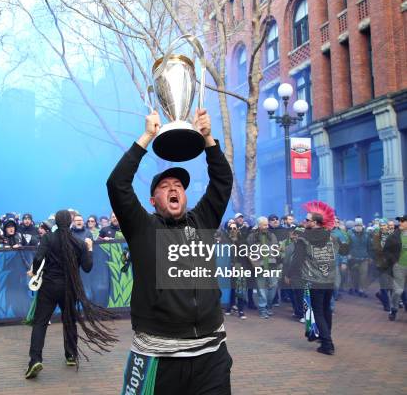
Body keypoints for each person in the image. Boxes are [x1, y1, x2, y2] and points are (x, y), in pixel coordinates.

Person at [107, 108, 233, 393]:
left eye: (179, 185)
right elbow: (117, 185)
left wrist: (208, 138)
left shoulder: (203, 220)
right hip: (158, 357)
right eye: (165, 186)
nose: (174, 188)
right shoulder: (142, 227)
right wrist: (147, 136)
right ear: (153, 200)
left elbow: (222, 182)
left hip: (210, 354)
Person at [25, 210, 116, 379]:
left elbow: (38, 258)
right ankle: (71, 355)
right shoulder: (79, 243)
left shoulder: (48, 238)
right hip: (69, 288)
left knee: (40, 323)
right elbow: (87, 268)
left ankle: (35, 360)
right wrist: (89, 249)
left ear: (56, 223)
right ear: (71, 222)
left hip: (49, 287)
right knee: (69, 321)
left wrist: (36, 272)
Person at [286, 201, 347, 355]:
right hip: (329, 279)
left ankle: (327, 343)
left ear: (314, 223)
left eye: (307, 220)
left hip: (314, 280)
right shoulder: (332, 237)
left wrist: (288, 274)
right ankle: (325, 337)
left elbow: (297, 261)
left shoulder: (303, 239)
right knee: (326, 310)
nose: (304, 222)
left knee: (317, 311)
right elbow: (345, 250)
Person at [247, 217, 280, 319]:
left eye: (267, 225)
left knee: (273, 286)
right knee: (261, 289)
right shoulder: (252, 237)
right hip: (259, 266)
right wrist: (253, 262)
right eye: (264, 225)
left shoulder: (272, 235)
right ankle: (262, 309)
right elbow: (247, 251)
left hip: (272, 265)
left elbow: (276, 249)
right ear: (259, 225)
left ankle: (268, 306)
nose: (266, 226)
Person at [389, 215, 407, 321]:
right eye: (400, 221)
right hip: (399, 266)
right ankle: (394, 309)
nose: (400, 223)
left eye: (403, 221)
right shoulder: (395, 235)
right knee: (398, 291)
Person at [347, 218, 370, 297]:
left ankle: (362, 290)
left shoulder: (367, 234)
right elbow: (347, 246)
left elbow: (369, 247)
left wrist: (370, 257)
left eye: (359, 225)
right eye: (356, 225)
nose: (358, 227)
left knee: (363, 275)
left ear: (362, 226)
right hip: (353, 258)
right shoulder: (350, 234)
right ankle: (353, 288)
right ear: (354, 226)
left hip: (364, 258)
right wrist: (348, 254)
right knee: (353, 275)